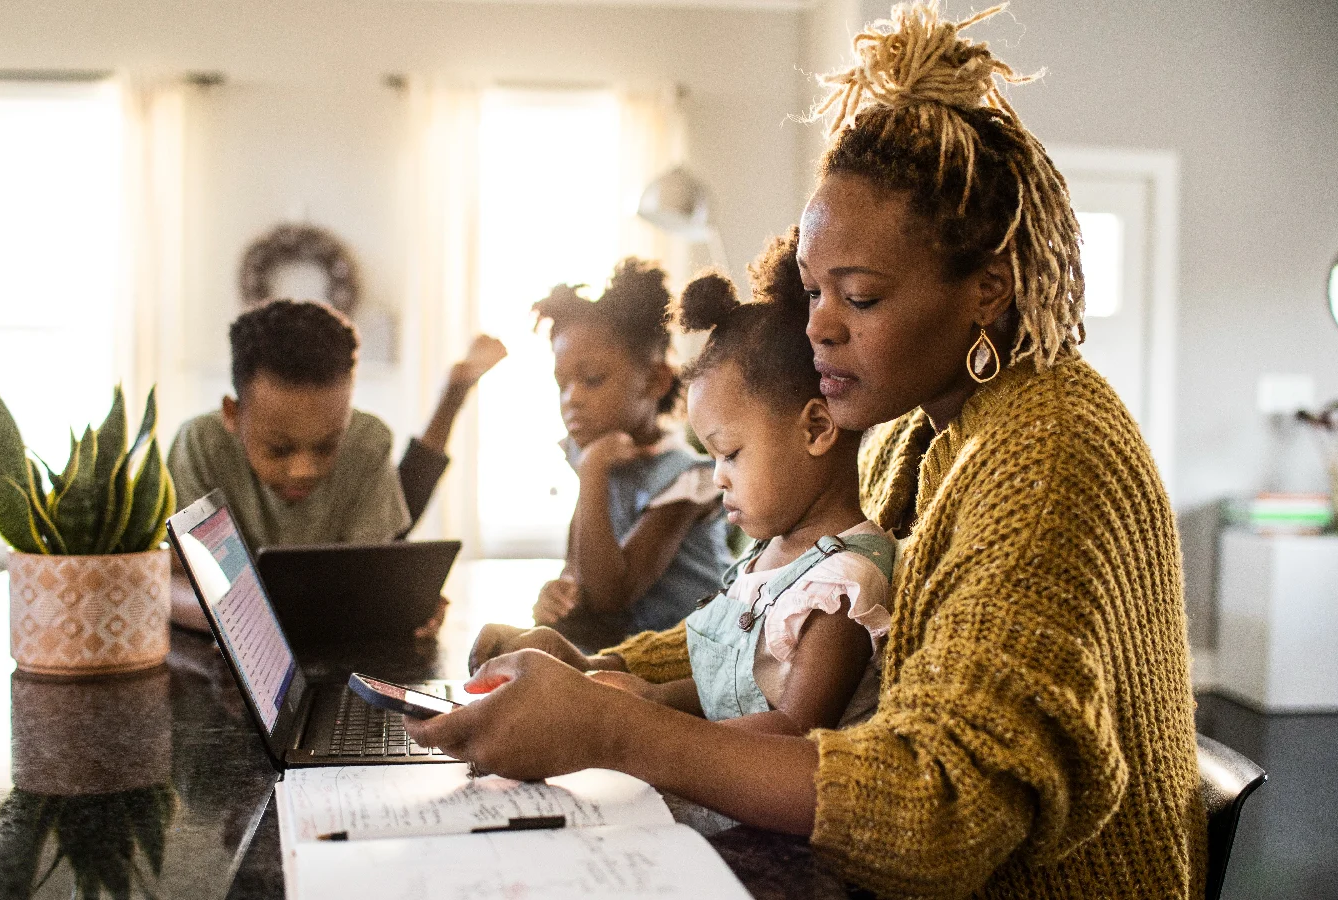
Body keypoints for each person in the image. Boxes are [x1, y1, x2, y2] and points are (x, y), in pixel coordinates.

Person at [410, 4, 1205, 898]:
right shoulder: (913, 425)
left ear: (988, 290)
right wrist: (598, 672)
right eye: (812, 289)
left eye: (858, 297)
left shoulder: (1050, 456)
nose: (818, 325)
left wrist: (608, 727)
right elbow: (770, 620)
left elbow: (940, 811)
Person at [590, 247, 896, 736]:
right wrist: (650, 697)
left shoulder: (842, 584)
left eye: (730, 454)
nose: (717, 477)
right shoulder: (770, 554)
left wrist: (642, 726)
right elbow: (729, 685)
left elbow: (792, 731)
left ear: (816, 428)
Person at [167, 298, 506, 632]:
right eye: (279, 449)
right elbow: (167, 583)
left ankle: (452, 398)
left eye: (327, 446)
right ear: (233, 414)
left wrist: (401, 600)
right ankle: (452, 396)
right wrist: (242, 618)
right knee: (406, 504)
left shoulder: (368, 438)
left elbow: (373, 570)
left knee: (400, 518)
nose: (304, 469)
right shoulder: (198, 443)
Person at [530, 258, 731, 648]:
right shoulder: (593, 456)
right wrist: (559, 595)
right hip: (624, 652)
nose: (572, 399)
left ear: (655, 381)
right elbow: (580, 572)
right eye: (562, 384)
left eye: (592, 380)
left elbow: (611, 595)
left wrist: (592, 472)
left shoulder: (687, 477)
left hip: (691, 658)